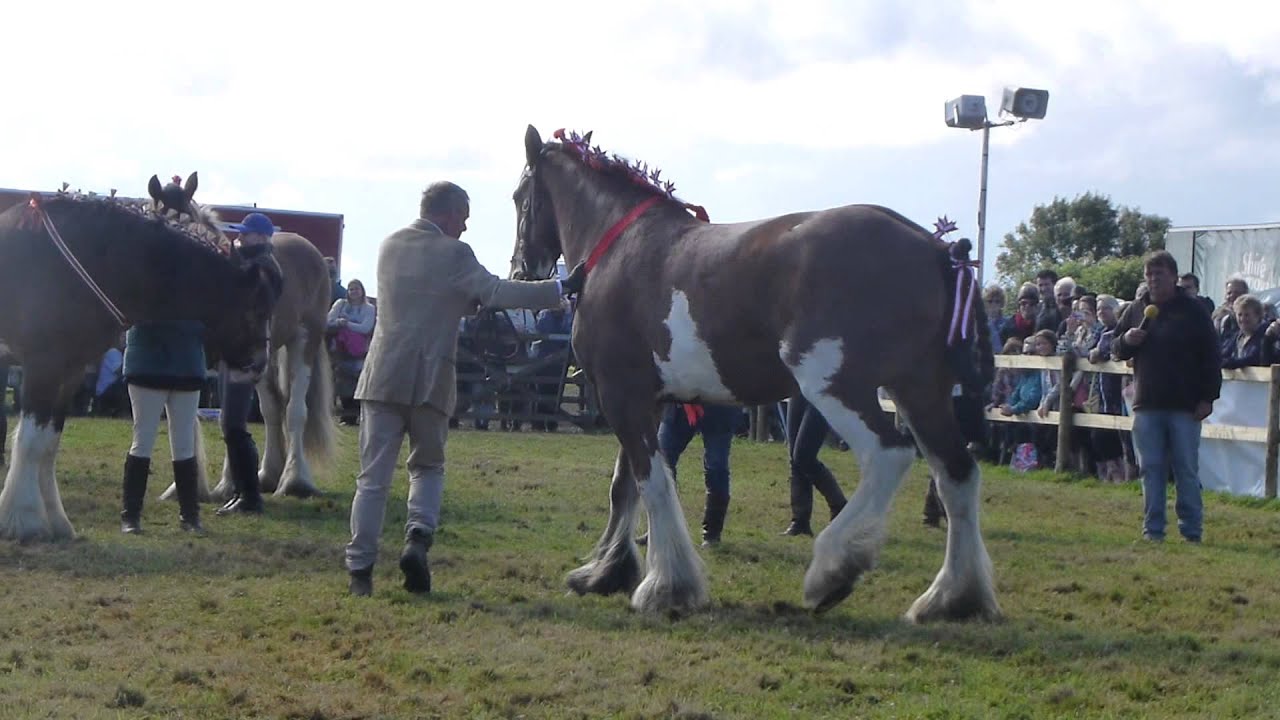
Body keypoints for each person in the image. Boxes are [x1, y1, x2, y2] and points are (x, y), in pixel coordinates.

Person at [344, 181, 583, 597]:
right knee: (428, 468)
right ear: (450, 214)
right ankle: (417, 539)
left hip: (381, 376)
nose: (467, 228)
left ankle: (359, 569)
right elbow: (496, 291)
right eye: (464, 219)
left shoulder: (388, 246)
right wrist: (561, 288)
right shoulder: (454, 253)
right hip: (431, 378)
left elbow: (423, 297)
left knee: (372, 481)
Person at [1112, 250, 1220, 543]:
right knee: (1150, 469)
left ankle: (1191, 530)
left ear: (1174, 276)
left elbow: (1211, 355)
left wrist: (1208, 397)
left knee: (1186, 469)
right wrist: (1126, 341)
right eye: (1149, 274)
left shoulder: (1193, 310)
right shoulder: (1136, 309)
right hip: (1147, 404)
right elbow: (1115, 347)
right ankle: (1153, 530)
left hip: (1185, 405)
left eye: (1159, 274)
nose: (1153, 280)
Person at [216, 213, 284, 516]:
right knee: (229, 423)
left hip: (247, 352)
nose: (240, 238)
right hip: (237, 349)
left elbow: (244, 297)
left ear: (261, 237)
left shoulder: (264, 268)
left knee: (234, 424)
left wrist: (230, 258)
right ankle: (244, 491)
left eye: (247, 235)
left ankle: (250, 496)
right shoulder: (257, 264)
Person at [119, 319, 209, 534]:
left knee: (180, 444)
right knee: (146, 441)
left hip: (176, 362)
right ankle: (133, 515)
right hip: (157, 363)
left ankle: (188, 515)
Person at [656, 402, 740, 546]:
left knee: (716, 466)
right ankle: (661, 528)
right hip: (679, 405)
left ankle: (712, 533)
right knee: (661, 461)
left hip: (718, 406)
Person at [780, 395, 846, 535]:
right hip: (799, 388)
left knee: (803, 456)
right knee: (795, 457)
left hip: (824, 391)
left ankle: (839, 507)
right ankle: (800, 521)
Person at [328, 278, 376, 425]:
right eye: (351, 289)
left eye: (357, 289)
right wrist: (338, 323)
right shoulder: (340, 305)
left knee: (359, 381)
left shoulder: (369, 308)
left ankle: (359, 414)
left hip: (361, 351)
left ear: (362, 291)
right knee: (343, 382)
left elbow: (366, 328)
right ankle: (346, 416)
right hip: (341, 351)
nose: (354, 292)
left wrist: (346, 323)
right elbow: (328, 321)